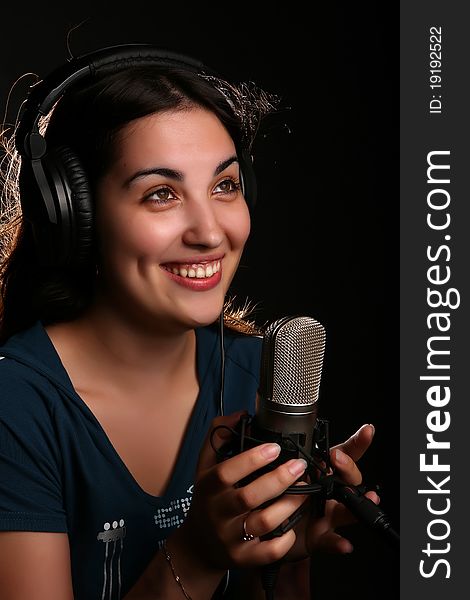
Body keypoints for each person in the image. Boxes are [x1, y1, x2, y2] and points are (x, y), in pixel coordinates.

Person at [0, 44, 378, 600]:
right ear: (75, 218)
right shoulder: (16, 405)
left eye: (224, 185)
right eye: (161, 194)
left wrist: (281, 557)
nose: (209, 231)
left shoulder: (260, 372)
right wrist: (196, 555)